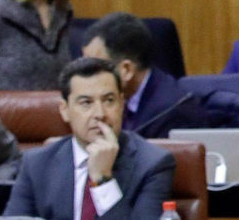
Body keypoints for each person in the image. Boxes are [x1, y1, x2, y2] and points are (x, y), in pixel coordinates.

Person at [5, 57, 175, 220]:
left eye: (109, 101)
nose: (100, 114)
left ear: (122, 104)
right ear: (64, 110)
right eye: (86, 103)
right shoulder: (37, 164)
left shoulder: (152, 164)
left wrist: (104, 181)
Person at [82, 12, 210, 140]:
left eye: (94, 68)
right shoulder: (118, 97)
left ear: (126, 70)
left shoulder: (172, 113)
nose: (85, 77)